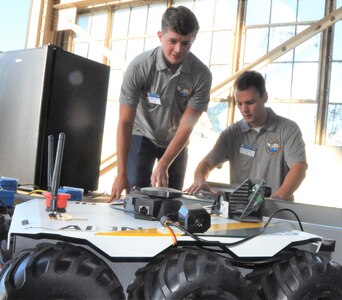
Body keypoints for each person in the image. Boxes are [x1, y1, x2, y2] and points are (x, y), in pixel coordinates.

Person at [110, 6, 212, 200]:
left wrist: (164, 163)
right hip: (143, 134)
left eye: (186, 43)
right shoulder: (139, 67)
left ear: (193, 40)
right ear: (160, 36)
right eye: (172, 41)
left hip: (176, 139)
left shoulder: (202, 75)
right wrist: (121, 172)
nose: (178, 49)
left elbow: (186, 127)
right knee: (137, 197)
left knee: (171, 201)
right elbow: (125, 122)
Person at [186, 70, 307, 201]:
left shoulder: (288, 130)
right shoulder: (231, 134)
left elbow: (299, 167)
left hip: (276, 211)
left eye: (250, 103)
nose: (244, 110)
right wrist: (200, 179)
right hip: (239, 210)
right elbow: (205, 164)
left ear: (265, 97)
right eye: (239, 103)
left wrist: (277, 199)